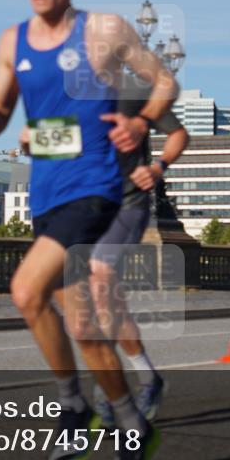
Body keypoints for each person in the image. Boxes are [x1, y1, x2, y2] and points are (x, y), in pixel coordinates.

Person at [0, 0, 178, 460]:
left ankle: (73, 406)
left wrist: (141, 122)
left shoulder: (103, 30)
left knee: (25, 290)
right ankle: (131, 425)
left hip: (97, 190)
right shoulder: (13, 40)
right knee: (82, 325)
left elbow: (166, 82)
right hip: (47, 195)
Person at [86, 99, 189, 426]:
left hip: (127, 204)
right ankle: (139, 379)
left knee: (100, 281)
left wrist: (158, 166)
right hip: (85, 206)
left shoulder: (136, 93)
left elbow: (178, 134)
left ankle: (119, 386)